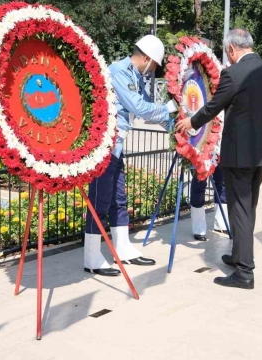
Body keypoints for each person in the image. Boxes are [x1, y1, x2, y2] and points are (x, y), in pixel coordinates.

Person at [176, 28, 262, 290]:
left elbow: (213, 107)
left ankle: (244, 272)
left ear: (232, 49)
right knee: (248, 208)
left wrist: (191, 121)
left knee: (240, 210)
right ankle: (238, 256)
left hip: (239, 153)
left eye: (227, 53)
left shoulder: (233, 73)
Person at [83, 35, 178, 276]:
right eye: (154, 65)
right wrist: (167, 108)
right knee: (100, 199)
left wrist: (178, 126)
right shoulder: (118, 71)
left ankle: (123, 248)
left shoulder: (136, 76)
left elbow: (150, 111)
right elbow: (138, 107)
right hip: (104, 145)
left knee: (118, 198)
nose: (153, 70)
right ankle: (91, 256)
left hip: (117, 145)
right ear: (146, 58)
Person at [190, 166, 228, 241]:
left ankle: (221, 224)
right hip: (200, 156)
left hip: (219, 155)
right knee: (199, 184)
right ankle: (199, 228)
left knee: (222, 182)